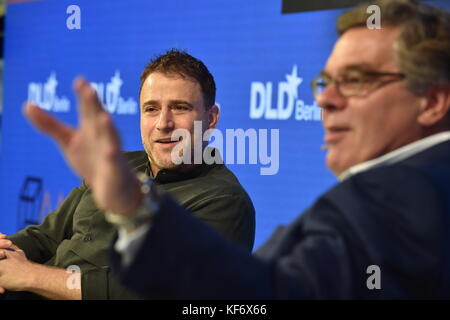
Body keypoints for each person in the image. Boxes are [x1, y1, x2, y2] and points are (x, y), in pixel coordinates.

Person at [11, 0, 450, 299]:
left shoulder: (403, 198)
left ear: (432, 100)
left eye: (356, 80)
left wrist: (132, 211)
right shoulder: (119, 167)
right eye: (326, 82)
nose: (325, 100)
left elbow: (248, 297)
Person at [0, 50, 255, 300]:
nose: (163, 123)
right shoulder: (117, 166)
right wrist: (5, 252)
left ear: (211, 119)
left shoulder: (225, 201)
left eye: (179, 108)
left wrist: (31, 276)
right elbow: (46, 236)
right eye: (151, 109)